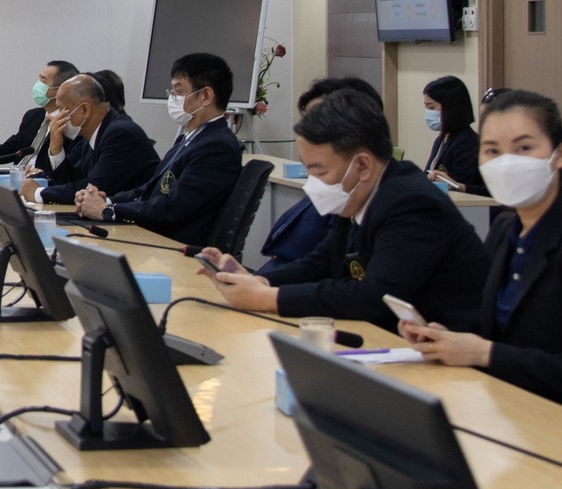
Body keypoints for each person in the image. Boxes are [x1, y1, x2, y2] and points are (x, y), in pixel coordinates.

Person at [402, 90, 562, 408]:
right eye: (492, 151)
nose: (506, 163)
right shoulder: (504, 229)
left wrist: (485, 353)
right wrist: (443, 337)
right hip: (505, 400)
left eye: (524, 148)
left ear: (559, 155)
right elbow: (492, 327)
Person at [203, 88, 489, 332]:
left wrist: (268, 298)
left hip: (451, 353)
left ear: (362, 165)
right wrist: (258, 281)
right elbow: (322, 262)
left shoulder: (411, 203)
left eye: (319, 172)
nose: (312, 184)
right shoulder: (358, 193)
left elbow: (374, 297)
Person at [75, 52, 243, 247]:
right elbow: (149, 190)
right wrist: (106, 200)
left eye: (178, 92)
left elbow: (173, 208)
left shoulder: (217, 147)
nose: (172, 99)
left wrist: (108, 211)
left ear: (206, 96)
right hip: (155, 235)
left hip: (173, 246)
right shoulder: (189, 138)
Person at [255, 76, 384, 271]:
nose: (308, 130)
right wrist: (259, 281)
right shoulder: (342, 196)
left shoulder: (397, 205)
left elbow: (358, 285)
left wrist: (266, 287)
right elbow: (318, 262)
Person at [22, 73, 158, 207]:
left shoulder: (120, 134)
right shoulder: (94, 134)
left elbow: (91, 189)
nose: (57, 117)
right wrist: (56, 149)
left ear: (85, 110)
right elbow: (72, 181)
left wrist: (38, 193)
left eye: (62, 109)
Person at [0, 59, 78, 164]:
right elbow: (9, 149)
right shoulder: (33, 116)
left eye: (43, 80)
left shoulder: (71, 124)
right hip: (17, 177)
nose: (37, 84)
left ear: (59, 90)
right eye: (39, 78)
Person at [423, 75, 484, 194]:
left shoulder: (467, 142)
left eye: (431, 107)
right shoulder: (441, 139)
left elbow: (458, 184)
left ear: (450, 107)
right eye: (426, 107)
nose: (428, 112)